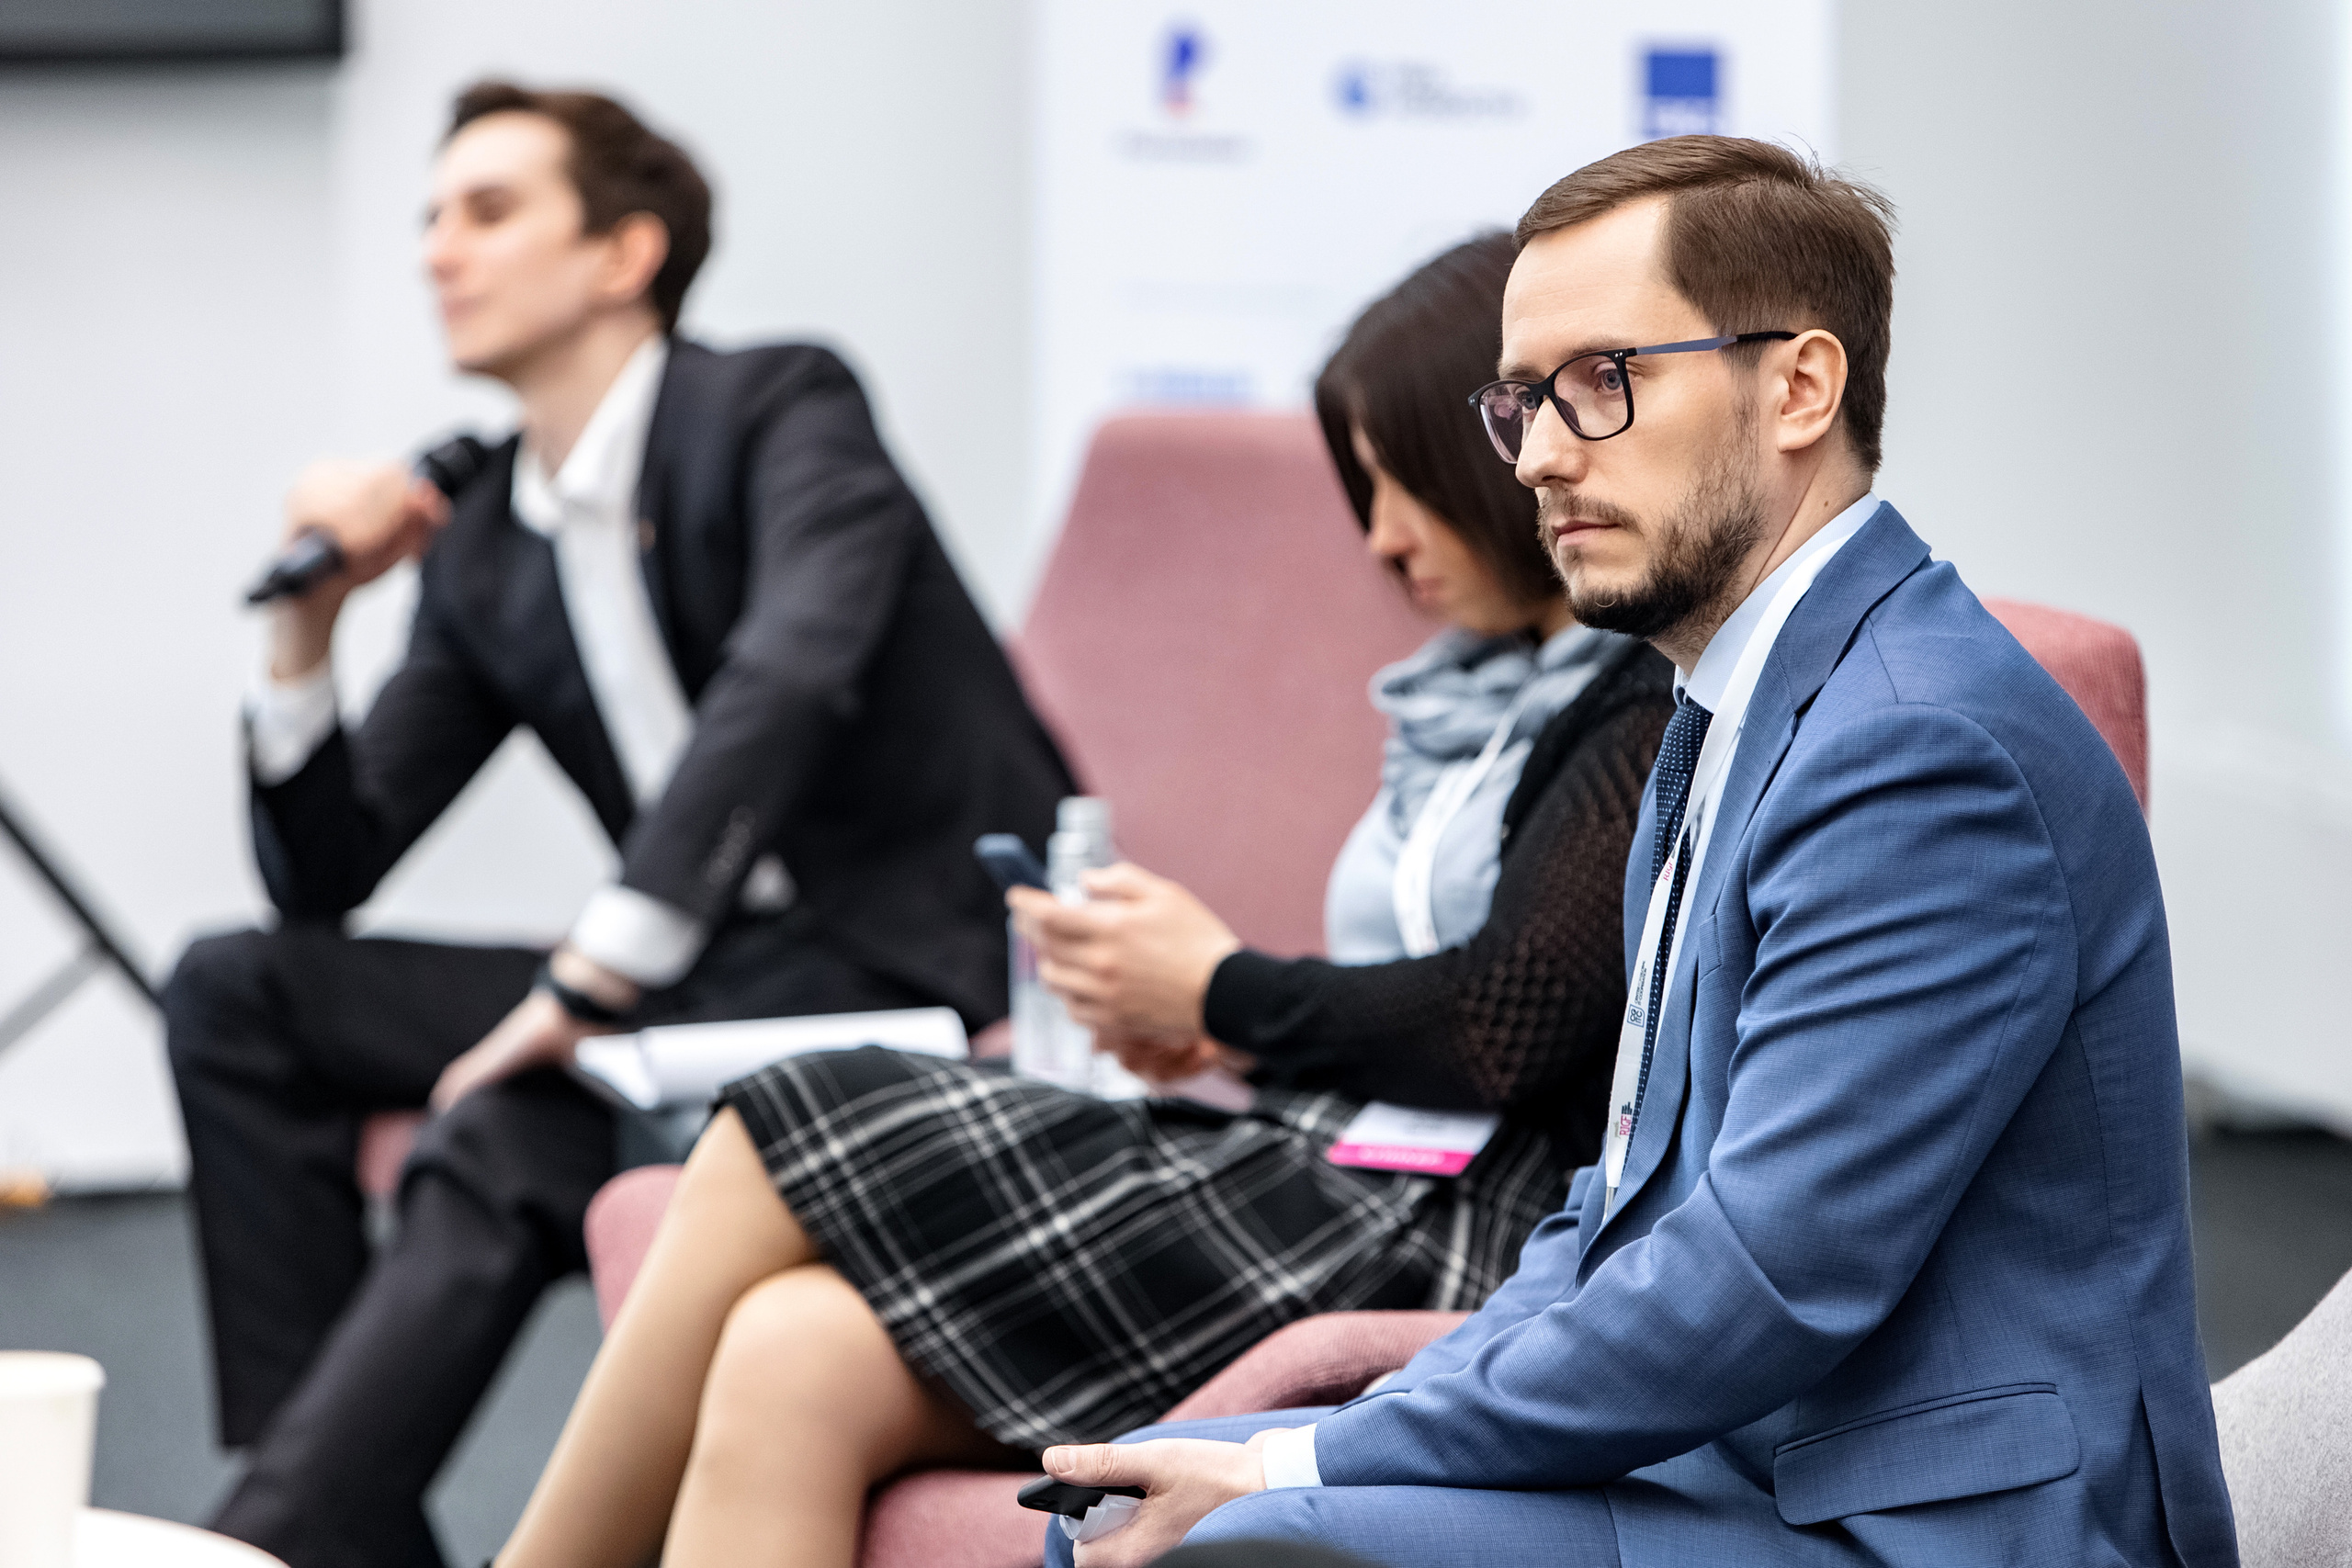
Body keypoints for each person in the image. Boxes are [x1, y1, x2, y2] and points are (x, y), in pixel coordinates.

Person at [1037, 136, 2240, 1568]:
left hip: (1925, 1526)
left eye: (1604, 381)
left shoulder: (1920, 748)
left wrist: (1316, 1458)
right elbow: (1621, 1205)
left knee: (1220, 1542)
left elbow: (1764, 1277)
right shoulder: (1723, 708)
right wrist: (1368, 1429)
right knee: (1125, 1508)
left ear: (1799, 386)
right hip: (1743, 1464)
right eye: (1522, 400)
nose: (1541, 454)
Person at [490, 233, 1675, 1568]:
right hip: (1342, 1156)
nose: (1384, 542)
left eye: (1411, 491)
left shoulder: (1642, 700)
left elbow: (1504, 1021)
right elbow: (1458, 990)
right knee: (789, 1349)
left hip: (1459, 1218)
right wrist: (1230, 1029)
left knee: (792, 1117)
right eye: (1367, 495)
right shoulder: (1463, 695)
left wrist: (1224, 993)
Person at [161, 81, 1070, 1568]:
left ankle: (268, 1542)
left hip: (900, 962)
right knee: (234, 988)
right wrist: (306, 635)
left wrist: (585, 983)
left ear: (623, 254)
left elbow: (785, 682)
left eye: (490, 210)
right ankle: (327, 1517)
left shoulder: (783, 406)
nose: (439, 252)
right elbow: (324, 877)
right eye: (432, 218)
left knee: (517, 1120)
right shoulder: (490, 548)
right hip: (696, 971)